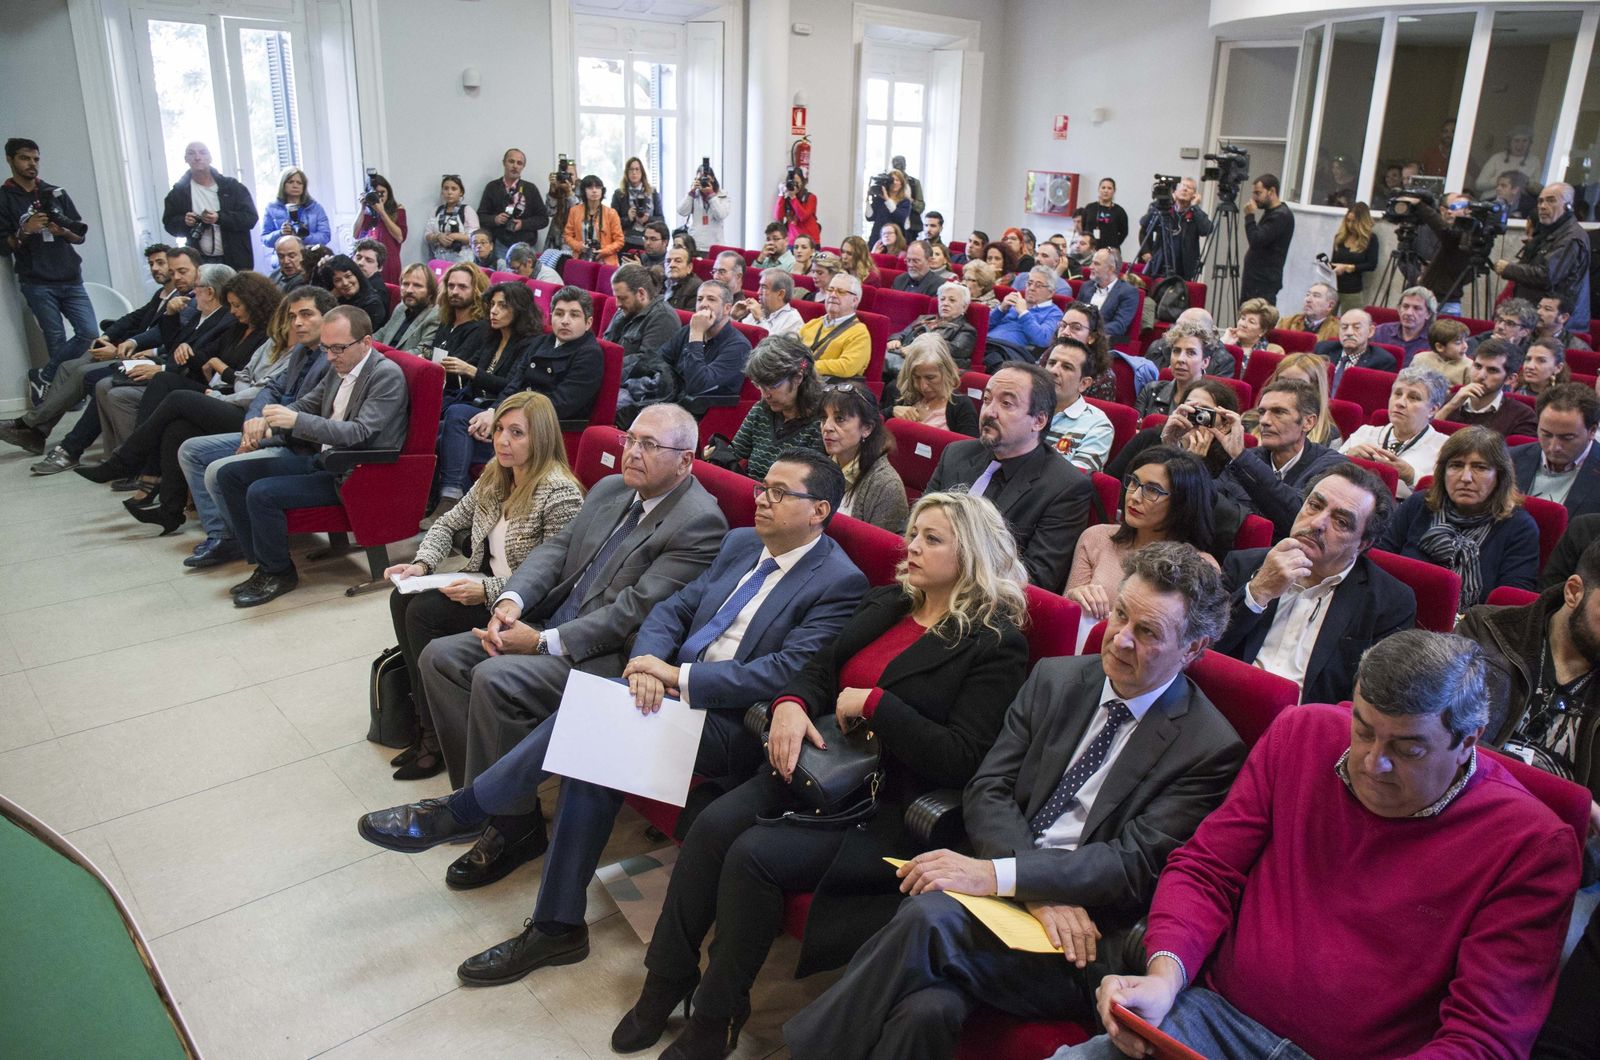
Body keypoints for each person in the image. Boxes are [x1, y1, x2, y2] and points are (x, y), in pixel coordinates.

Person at [361, 450, 867, 977]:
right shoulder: (743, 544)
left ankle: (464, 810)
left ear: (820, 510)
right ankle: (557, 928)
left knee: (597, 720)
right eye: (763, 487)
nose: (762, 499)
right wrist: (650, 666)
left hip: (733, 723)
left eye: (781, 493)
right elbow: (672, 609)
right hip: (669, 691)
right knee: (594, 754)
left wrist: (677, 678)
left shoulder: (837, 581)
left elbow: (784, 670)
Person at [787, 541, 1245, 1060]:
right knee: (926, 1011)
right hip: (1014, 901)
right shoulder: (1056, 678)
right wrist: (1028, 886)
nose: (1118, 639)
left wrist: (1001, 876)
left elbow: (1132, 865)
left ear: (1194, 649)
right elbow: (989, 787)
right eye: (1120, 614)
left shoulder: (1209, 748)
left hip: (1083, 939)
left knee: (926, 919)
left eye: (1147, 634)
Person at [616, 490, 1030, 1059]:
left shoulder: (995, 643)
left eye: (932, 539)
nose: (911, 547)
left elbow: (961, 759)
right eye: (913, 533)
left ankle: (716, 1015)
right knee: (712, 826)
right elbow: (818, 669)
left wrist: (877, 705)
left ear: (973, 555)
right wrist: (789, 702)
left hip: (881, 805)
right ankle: (664, 980)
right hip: (815, 766)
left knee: (753, 855)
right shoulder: (890, 602)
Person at [1060, 630, 1580, 1060]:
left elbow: (1484, 1039)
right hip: (1212, 1018)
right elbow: (1206, 870)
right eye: (1363, 730)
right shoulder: (1303, 734)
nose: (1372, 761)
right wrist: (1163, 977)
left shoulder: (1531, 845)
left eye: (1408, 749)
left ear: (1470, 740)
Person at [417, 401, 726, 811]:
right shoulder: (612, 489)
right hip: (551, 618)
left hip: (605, 655)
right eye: (630, 439)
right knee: (439, 657)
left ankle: (506, 826)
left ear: (685, 460)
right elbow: (555, 550)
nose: (632, 453)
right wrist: (511, 601)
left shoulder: (698, 522)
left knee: (494, 677)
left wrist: (542, 642)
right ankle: (473, 799)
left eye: (649, 445)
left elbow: (633, 611)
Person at [382, 392, 585, 780]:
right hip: (484, 583)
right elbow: (447, 522)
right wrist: (422, 564)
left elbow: (557, 578)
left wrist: (488, 591)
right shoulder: (497, 473)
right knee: (402, 599)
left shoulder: (559, 493)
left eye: (516, 433)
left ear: (540, 437)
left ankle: (434, 737)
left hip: (525, 606)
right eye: (499, 431)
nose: (503, 441)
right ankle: (428, 727)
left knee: (423, 614)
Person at [214, 305, 409, 606]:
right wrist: (272, 419)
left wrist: (296, 422)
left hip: (354, 471)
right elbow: (308, 403)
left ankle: (279, 572)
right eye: (326, 348)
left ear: (366, 343)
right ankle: (263, 563)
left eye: (338, 348)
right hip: (325, 461)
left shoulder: (386, 376)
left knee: (262, 493)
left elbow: (358, 432)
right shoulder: (340, 367)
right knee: (232, 475)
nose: (330, 357)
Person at [1218, 461, 1414, 702]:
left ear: (1362, 544)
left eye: (1340, 522)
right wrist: (1257, 593)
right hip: (1225, 711)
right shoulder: (1243, 565)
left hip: (1307, 728)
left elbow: (1371, 703)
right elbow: (1199, 651)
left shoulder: (1389, 603)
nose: (1316, 524)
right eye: (1314, 505)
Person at [925, 362, 1093, 591]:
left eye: (1006, 403)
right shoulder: (956, 454)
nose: (989, 412)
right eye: (987, 400)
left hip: (982, 604)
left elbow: (1036, 578)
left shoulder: (1065, 487)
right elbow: (915, 523)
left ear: (1039, 421)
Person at [436, 286, 603, 515]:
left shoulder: (589, 354)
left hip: (543, 431)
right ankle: (458, 500)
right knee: (451, 421)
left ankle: (454, 502)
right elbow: (514, 384)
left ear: (588, 322)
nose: (565, 321)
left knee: (448, 434)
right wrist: (494, 412)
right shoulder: (542, 342)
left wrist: (505, 421)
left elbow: (561, 404)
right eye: (559, 313)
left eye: (573, 315)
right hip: (513, 418)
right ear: (551, 316)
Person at [1458, 536, 1600, 804]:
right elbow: (1438, 732)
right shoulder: (1486, 630)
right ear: (1573, 592)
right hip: (1464, 799)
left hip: (1556, 830)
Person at [1376, 426, 1539, 608]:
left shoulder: (1519, 527)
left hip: (1469, 628)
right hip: (1395, 609)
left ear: (1500, 476)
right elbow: (1379, 560)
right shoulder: (1420, 504)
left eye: (1480, 467)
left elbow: (1508, 605)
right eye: (1456, 465)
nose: (1466, 477)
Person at [0, 138, 96, 391]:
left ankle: (44, 376)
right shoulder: (4, 198)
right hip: (36, 280)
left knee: (89, 332)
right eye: (25, 158)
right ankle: (67, 392)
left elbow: (80, 235)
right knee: (55, 338)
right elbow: (3, 246)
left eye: (36, 159)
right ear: (10, 159)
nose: (32, 164)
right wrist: (25, 230)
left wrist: (63, 231)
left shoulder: (55, 192)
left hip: (70, 276)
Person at [1211, 378, 1350, 537]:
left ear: (1308, 422)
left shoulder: (1332, 467)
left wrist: (1241, 457)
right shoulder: (1250, 458)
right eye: (1262, 412)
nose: (1264, 421)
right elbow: (1212, 499)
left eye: (1279, 412)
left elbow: (1298, 518)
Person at [715, 335, 825, 478]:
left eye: (772, 386)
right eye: (759, 386)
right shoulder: (761, 409)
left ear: (798, 377)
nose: (765, 395)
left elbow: (807, 483)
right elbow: (734, 453)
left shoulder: (821, 423)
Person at [1339, 366, 1448, 500]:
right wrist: (1346, 457)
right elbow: (1325, 469)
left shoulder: (1445, 448)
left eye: (1413, 397)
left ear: (1432, 409)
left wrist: (1412, 477)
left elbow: (1443, 497)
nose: (1400, 403)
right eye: (1397, 394)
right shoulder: (1365, 432)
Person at [1497, 183, 1592, 330]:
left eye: (1551, 200)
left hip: (1558, 325)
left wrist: (1508, 269)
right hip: (1538, 319)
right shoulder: (1549, 232)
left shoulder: (1571, 237)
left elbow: (1547, 276)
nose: (1542, 206)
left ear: (1568, 206)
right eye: (1540, 201)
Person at [821, 381, 909, 532]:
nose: (826, 427)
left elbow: (878, 551)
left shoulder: (886, 485)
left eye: (839, 419)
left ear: (867, 428)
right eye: (824, 418)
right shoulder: (820, 467)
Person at [162, 142, 257, 271]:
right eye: (191, 153)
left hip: (235, 259)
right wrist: (185, 222)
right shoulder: (179, 191)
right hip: (200, 262)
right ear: (186, 159)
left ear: (210, 157)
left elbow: (250, 218)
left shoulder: (232, 187)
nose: (197, 157)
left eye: (202, 152)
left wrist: (219, 218)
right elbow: (169, 224)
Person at [656, 280, 752, 405]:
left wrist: (696, 335)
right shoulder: (688, 330)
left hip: (697, 411)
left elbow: (698, 387)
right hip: (666, 397)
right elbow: (658, 360)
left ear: (727, 308)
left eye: (711, 299)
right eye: (699, 299)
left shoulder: (739, 347)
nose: (703, 304)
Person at [1514, 382, 1600, 519]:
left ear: (1592, 431)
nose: (1554, 447)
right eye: (1546, 434)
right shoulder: (1511, 458)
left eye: (1567, 438)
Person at [1436, 338, 1538, 437]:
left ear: (1510, 379)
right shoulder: (1446, 401)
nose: (1480, 376)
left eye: (1492, 370)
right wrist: (1450, 406)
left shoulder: (1522, 416)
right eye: (1478, 366)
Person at [890, 334, 978, 436]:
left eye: (930, 378)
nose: (923, 386)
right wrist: (892, 412)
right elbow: (873, 425)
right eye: (917, 377)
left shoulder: (961, 405)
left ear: (946, 372)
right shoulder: (906, 395)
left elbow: (971, 449)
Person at [886, 281, 977, 376]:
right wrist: (894, 339)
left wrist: (916, 349)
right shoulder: (924, 318)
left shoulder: (966, 330)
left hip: (926, 369)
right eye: (942, 299)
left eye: (952, 300)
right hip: (900, 357)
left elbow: (952, 350)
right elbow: (903, 333)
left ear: (964, 306)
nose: (945, 303)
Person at [985, 267, 1065, 371]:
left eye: (1038, 285)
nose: (1031, 288)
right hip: (988, 343)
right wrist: (1001, 309)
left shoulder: (1054, 313)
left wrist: (1023, 313)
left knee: (991, 358)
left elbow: (1043, 340)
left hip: (1010, 352)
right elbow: (984, 327)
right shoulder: (1014, 303)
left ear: (1051, 292)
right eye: (1029, 283)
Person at [605, 261, 682, 365]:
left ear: (641, 294)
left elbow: (645, 364)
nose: (617, 304)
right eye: (616, 297)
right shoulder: (624, 310)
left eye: (622, 298)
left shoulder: (663, 317)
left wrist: (607, 366)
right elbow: (606, 344)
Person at [1136, 321, 1214, 421]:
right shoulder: (1151, 390)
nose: (1180, 359)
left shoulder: (1212, 401)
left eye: (1191, 353)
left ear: (1205, 362)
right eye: (1176, 351)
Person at [797, 273, 871, 379]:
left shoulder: (860, 333)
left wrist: (806, 366)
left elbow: (847, 367)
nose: (833, 295)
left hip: (826, 386)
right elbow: (792, 349)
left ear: (854, 301)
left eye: (840, 292)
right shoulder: (813, 323)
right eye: (830, 290)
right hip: (799, 377)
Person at [1138, 177, 1212, 280]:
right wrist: (1146, 252)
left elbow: (1207, 229)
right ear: (1175, 191)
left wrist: (1195, 207)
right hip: (1160, 265)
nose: (1185, 189)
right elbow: (1144, 224)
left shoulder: (1195, 214)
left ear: (1194, 195)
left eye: (1189, 188)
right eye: (1183, 186)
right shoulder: (1163, 209)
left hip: (1183, 269)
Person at [478, 148, 548, 254]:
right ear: (504, 163)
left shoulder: (530, 188)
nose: (515, 166)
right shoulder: (492, 187)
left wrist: (523, 224)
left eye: (519, 163)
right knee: (502, 271)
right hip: (499, 245)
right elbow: (481, 216)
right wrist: (495, 219)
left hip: (526, 247)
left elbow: (543, 219)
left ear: (523, 167)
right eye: (511, 161)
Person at [1240, 174, 1294, 307]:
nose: (1254, 198)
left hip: (1263, 282)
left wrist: (1250, 216)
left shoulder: (1280, 215)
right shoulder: (1272, 212)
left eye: (1258, 193)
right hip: (1255, 280)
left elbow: (1256, 240)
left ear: (1272, 191)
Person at [258, 168, 330, 262]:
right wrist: (280, 233)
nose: (295, 185)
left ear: (304, 186)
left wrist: (303, 236)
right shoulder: (272, 208)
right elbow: (265, 239)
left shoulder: (315, 208)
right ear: (283, 184)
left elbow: (325, 236)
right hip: (283, 259)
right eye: (291, 182)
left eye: (299, 183)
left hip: (311, 257)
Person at [1315, 308, 1396, 392]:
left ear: (1370, 331)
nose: (1349, 332)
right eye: (1344, 327)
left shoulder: (1382, 362)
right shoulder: (1322, 349)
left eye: (1356, 327)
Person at [369, 263, 440, 356]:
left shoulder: (435, 315)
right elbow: (382, 334)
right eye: (405, 284)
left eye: (417, 285)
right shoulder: (401, 308)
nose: (409, 290)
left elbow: (422, 352)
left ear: (430, 292)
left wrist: (383, 358)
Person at [350, 172, 406, 285]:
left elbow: (400, 237)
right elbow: (355, 234)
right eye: (376, 194)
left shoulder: (397, 209)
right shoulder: (366, 212)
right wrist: (362, 208)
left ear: (388, 193)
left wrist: (382, 212)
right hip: (367, 262)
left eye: (382, 193)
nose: (379, 197)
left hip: (389, 261)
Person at [1327, 202, 1378, 311]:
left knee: (1352, 321)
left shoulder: (1370, 239)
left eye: (1354, 222)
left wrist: (1349, 267)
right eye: (1348, 220)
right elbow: (1334, 261)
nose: (1350, 225)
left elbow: (1371, 264)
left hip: (1352, 290)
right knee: (1326, 322)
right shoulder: (1340, 238)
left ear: (1362, 222)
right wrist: (1328, 266)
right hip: (1333, 287)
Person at [564, 175, 624, 265]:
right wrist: (579, 246)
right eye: (590, 187)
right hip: (581, 259)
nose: (594, 191)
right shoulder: (574, 211)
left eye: (598, 187)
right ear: (584, 191)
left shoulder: (611, 213)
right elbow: (567, 236)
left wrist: (604, 251)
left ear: (602, 191)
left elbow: (620, 240)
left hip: (606, 260)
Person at [611, 156, 664, 258]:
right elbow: (613, 223)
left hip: (648, 241)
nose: (634, 173)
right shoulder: (619, 194)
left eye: (637, 169)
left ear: (642, 172)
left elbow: (661, 220)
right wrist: (628, 218)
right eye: (631, 169)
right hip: (626, 241)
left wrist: (647, 219)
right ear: (626, 173)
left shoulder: (652, 192)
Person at [730, 267, 802, 338]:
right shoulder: (759, 311)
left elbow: (772, 348)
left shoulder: (793, 320)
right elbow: (737, 337)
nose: (758, 292)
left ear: (780, 294)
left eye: (764, 287)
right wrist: (733, 318)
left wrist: (760, 319)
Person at [1372, 286, 1436, 363]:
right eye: (1405, 306)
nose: (1408, 313)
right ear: (1399, 309)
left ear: (1428, 314)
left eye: (1416, 308)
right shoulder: (1380, 332)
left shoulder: (1434, 342)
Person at [324, 253, 388, 331]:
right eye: (338, 280)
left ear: (357, 275)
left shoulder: (373, 304)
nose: (345, 283)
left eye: (348, 276)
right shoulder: (338, 300)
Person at [424, 174, 479, 263]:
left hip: (462, 259)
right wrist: (438, 237)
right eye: (446, 189)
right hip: (440, 258)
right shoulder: (436, 211)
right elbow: (427, 235)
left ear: (461, 192)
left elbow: (475, 237)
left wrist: (455, 236)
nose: (449, 192)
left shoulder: (467, 210)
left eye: (454, 189)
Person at [1221, 297, 1283, 375]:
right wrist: (1223, 344)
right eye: (1243, 318)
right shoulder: (1225, 341)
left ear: (1263, 331)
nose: (1243, 324)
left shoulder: (1274, 351)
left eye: (1251, 322)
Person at [1474, 126, 1541, 196]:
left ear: (1530, 143)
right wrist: (1500, 180)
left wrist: (1525, 183)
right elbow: (1479, 185)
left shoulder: (1534, 161)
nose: (1520, 145)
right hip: (1491, 201)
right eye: (1516, 140)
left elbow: (1535, 190)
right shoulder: (1497, 158)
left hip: (1518, 204)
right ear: (1509, 143)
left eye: (1525, 141)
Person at [1467, 297, 1538, 359]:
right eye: (1499, 320)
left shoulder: (1533, 351)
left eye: (1510, 323)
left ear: (1524, 332)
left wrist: (1510, 350)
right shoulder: (1475, 343)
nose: (1500, 326)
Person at [678, 164, 732, 246]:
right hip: (696, 243)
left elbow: (721, 215)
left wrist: (711, 195)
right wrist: (691, 192)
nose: (703, 182)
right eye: (700, 179)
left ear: (713, 179)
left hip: (715, 244)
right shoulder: (694, 195)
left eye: (707, 179)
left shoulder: (722, 195)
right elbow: (682, 212)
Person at [1410, 317, 1472, 386]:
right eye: (1458, 343)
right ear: (1439, 347)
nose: (1465, 346)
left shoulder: (1469, 366)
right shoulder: (1420, 359)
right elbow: (1409, 384)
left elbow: (1471, 394)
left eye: (1466, 341)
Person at [1074, 178, 1129, 252]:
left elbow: (1124, 232)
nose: (1106, 191)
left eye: (1109, 188)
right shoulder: (1089, 208)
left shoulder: (1119, 211)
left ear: (1114, 191)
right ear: (1099, 189)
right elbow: (1083, 227)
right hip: (1089, 250)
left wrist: (1113, 245)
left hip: (1109, 252)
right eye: (1103, 188)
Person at [867, 169, 916, 249]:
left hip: (896, 241)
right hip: (877, 238)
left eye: (897, 180)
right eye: (892, 180)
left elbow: (900, 217)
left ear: (902, 183)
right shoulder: (879, 199)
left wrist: (887, 198)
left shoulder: (905, 201)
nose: (894, 182)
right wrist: (868, 199)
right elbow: (869, 217)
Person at [774, 168, 820, 244]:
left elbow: (803, 216)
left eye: (797, 182)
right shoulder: (787, 199)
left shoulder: (811, 197)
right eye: (792, 183)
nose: (795, 185)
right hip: (793, 241)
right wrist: (781, 194)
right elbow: (778, 217)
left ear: (803, 182)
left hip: (810, 242)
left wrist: (793, 197)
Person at [662, 243, 701, 310]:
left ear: (689, 267)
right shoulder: (657, 281)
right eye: (668, 261)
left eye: (678, 261)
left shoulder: (696, 288)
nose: (671, 265)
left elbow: (686, 318)